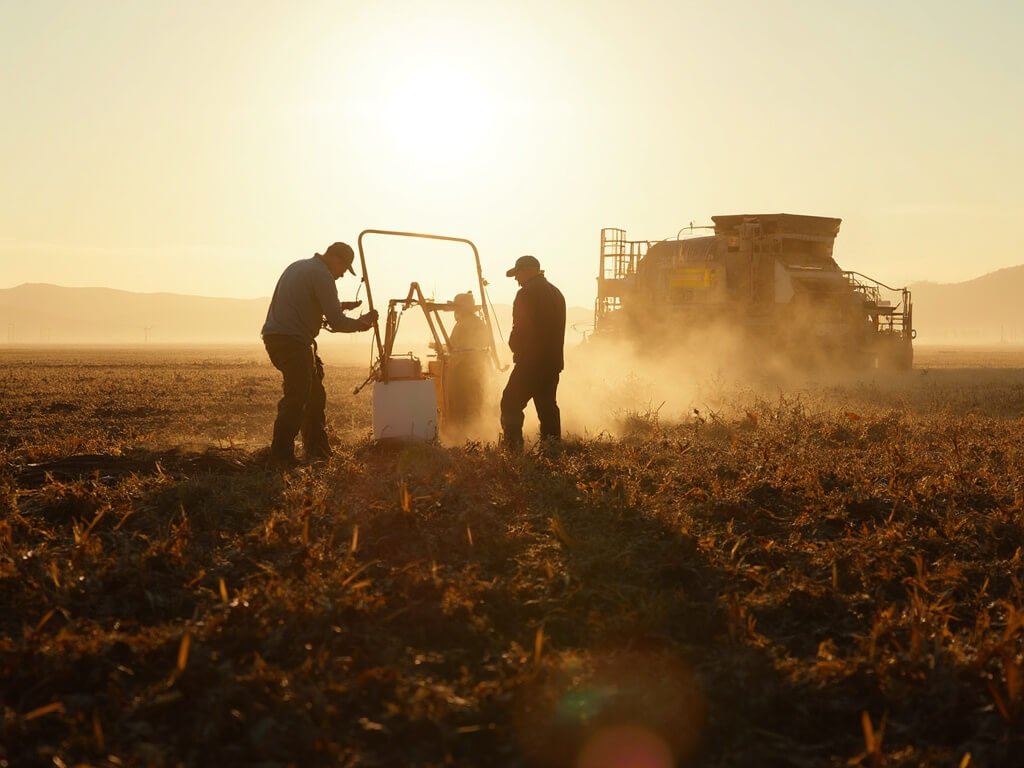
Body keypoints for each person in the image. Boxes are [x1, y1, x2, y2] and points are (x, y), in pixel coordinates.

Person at [261, 241, 377, 465]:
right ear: (336, 259)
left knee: (314, 394)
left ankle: (318, 452)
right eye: (344, 269)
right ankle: (281, 456)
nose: (342, 275)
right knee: (298, 396)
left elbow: (308, 304)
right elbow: (337, 322)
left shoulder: (300, 267)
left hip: (281, 338)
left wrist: (340, 305)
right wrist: (362, 323)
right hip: (292, 341)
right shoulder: (322, 275)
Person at [500, 255, 566, 452]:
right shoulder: (556, 293)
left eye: (517, 274)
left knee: (510, 402)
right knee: (547, 407)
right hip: (551, 363)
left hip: (530, 363)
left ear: (527, 270)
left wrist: (514, 346)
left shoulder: (526, 294)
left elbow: (521, 327)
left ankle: (513, 450)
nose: (516, 279)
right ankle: (551, 449)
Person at [444, 292, 492, 430]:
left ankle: (459, 436)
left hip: (462, 370)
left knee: (459, 405)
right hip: (479, 369)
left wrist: (438, 347)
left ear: (460, 309)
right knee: (475, 404)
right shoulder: (479, 322)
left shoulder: (462, 324)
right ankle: (477, 434)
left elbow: (452, 346)